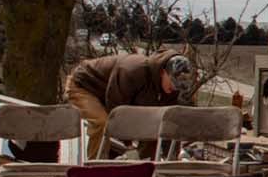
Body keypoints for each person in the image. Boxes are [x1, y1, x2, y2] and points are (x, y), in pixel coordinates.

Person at [65, 51, 196, 158]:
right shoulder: (132, 70)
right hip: (84, 85)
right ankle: (95, 169)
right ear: (163, 72)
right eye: (173, 83)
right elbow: (115, 110)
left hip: (111, 95)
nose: (175, 88)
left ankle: (146, 173)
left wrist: (171, 161)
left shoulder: (169, 90)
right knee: (103, 123)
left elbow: (167, 124)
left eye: (179, 86)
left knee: (153, 128)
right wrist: (128, 145)